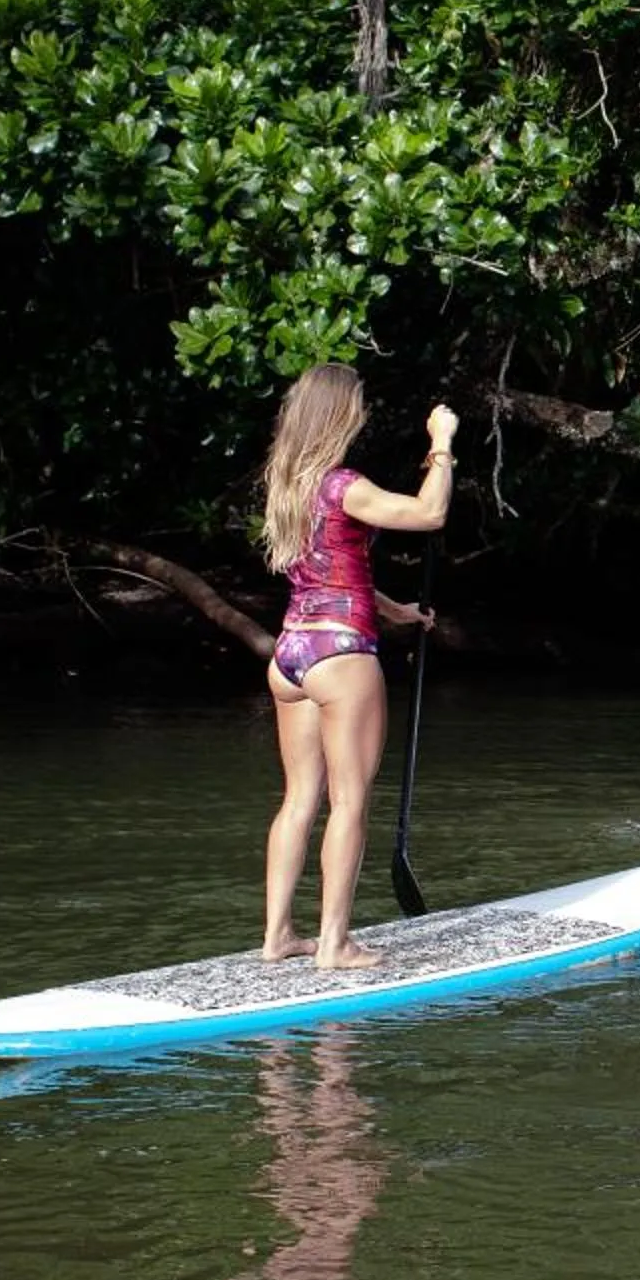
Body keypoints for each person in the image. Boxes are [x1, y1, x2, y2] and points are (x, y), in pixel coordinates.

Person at [257, 363, 456, 969]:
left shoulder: (287, 483)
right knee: (348, 803)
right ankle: (335, 944)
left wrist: (397, 611)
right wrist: (442, 444)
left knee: (299, 801)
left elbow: (329, 572)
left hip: (291, 655)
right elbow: (429, 514)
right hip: (341, 659)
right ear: (338, 415)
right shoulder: (343, 484)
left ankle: (278, 938)